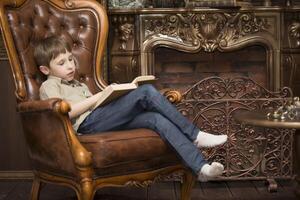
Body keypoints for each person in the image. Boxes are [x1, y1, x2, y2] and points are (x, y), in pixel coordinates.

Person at [34, 36, 228, 181]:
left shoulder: (79, 85)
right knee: (145, 92)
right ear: (45, 70)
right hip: (85, 126)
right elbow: (64, 111)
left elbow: (99, 106)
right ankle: (195, 135)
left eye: (70, 59)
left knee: (154, 118)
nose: (69, 66)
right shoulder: (49, 85)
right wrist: (97, 97)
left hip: (101, 119)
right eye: (61, 63)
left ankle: (201, 168)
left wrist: (112, 95)